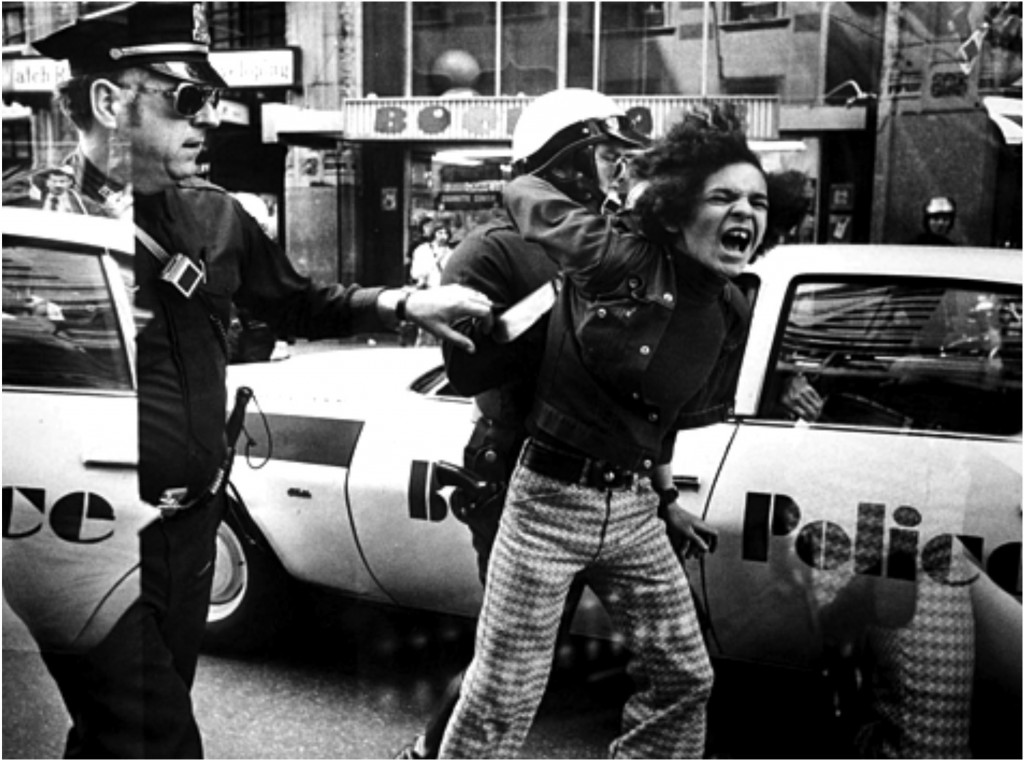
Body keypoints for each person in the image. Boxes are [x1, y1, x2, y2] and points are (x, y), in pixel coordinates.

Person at [6, 4, 492, 758]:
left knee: (120, 729)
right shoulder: (26, 220)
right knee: (156, 736)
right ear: (109, 101)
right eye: (187, 98)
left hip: (192, 524)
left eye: (213, 98)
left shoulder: (219, 217)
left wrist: (404, 300)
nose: (212, 119)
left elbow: (300, 301)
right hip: (77, 527)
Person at [438, 103, 765, 758]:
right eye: (722, 197)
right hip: (539, 489)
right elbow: (472, 370)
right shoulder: (583, 250)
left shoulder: (728, 302)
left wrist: (666, 499)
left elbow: (662, 415)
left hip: (633, 503)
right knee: (508, 685)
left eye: (757, 200)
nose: (746, 214)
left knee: (684, 675)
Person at [396, 88, 647, 760]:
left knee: (667, 655)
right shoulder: (493, 249)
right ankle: (431, 751)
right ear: (564, 161)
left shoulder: (614, 240)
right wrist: (562, 291)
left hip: (611, 473)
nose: (620, 169)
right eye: (605, 154)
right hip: (519, 467)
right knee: (512, 653)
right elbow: (470, 367)